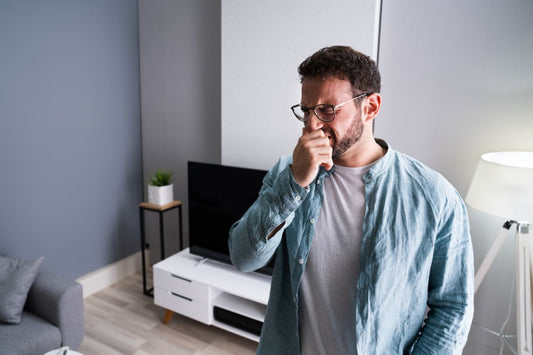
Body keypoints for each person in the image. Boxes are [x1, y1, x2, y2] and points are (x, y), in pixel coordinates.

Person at [228, 45, 474, 354]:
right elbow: (244, 258)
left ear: (370, 107)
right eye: (306, 110)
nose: (312, 124)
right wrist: (294, 183)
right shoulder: (287, 172)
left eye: (327, 110)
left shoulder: (433, 195)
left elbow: (453, 307)